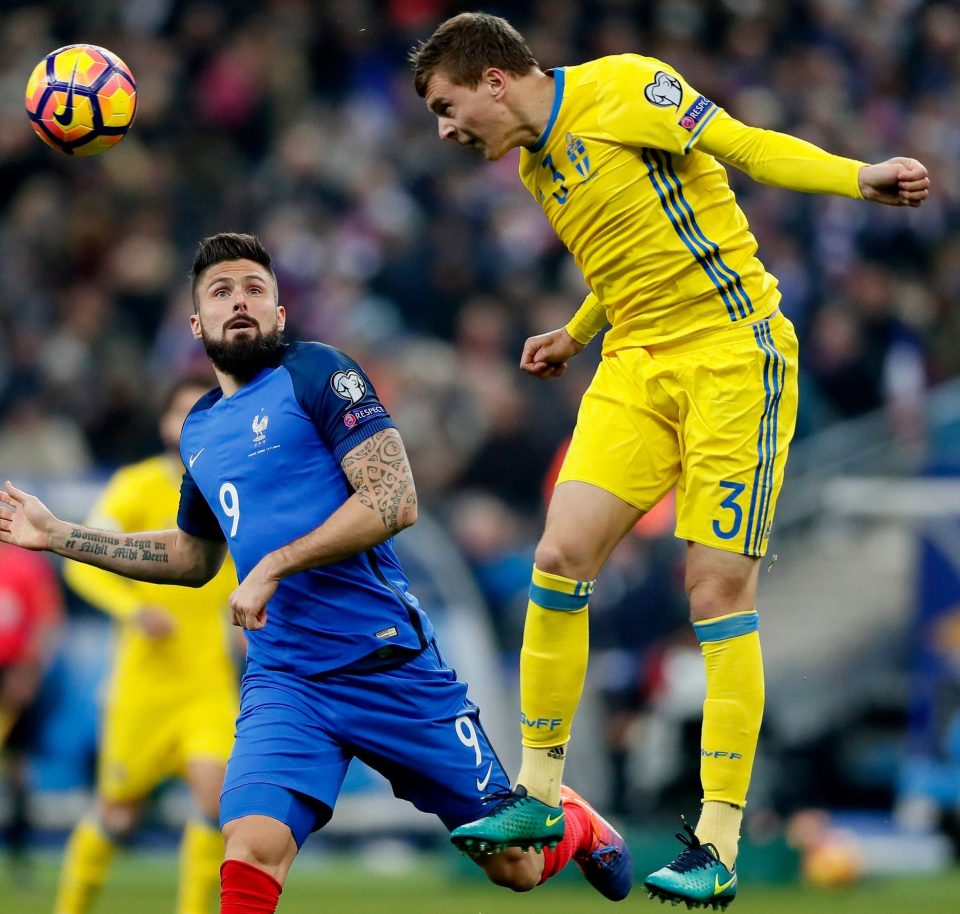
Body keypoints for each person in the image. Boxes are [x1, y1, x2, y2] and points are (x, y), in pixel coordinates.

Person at [409, 12, 930, 909]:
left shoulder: (625, 87)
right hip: (635, 367)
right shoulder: (538, 164)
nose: (448, 131)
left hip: (733, 356)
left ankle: (717, 841)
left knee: (716, 593)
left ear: (494, 78)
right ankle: (536, 795)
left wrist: (861, 178)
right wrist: (574, 334)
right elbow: (624, 266)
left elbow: (746, 146)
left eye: (449, 107)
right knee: (558, 556)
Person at [0, 233, 632, 913]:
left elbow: (395, 499)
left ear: (278, 314)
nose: (238, 300)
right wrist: (58, 535)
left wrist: (274, 563)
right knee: (247, 846)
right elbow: (191, 554)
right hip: (287, 681)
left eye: (253, 289)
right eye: (220, 292)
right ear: (196, 325)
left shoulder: (320, 374)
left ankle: (571, 819)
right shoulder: (201, 430)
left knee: (516, 867)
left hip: (388, 666)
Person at [53, 377, 242, 914]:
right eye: (180, 413)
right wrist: (134, 610)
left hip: (207, 683)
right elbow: (84, 568)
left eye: (200, 413)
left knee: (216, 799)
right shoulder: (135, 487)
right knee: (117, 814)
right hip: (144, 685)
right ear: (163, 423)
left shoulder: (231, 489)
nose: (189, 424)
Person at [0, 542, 64, 878]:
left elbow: (48, 621)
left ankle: (18, 855)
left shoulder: (26, 567)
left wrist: (28, 673)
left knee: (17, 767)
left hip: (15, 675)